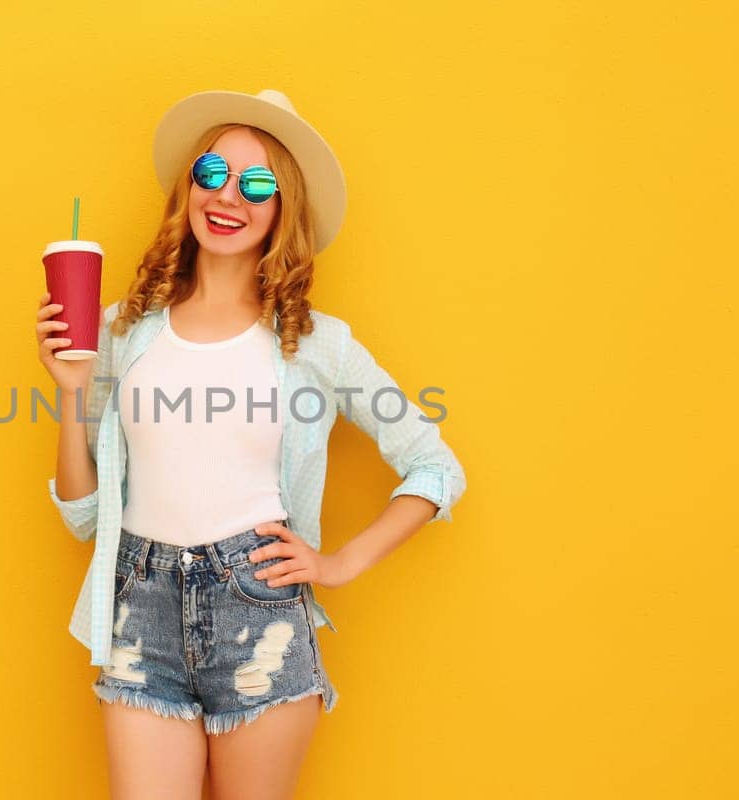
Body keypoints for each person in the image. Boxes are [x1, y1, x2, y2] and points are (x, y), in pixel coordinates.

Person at [34, 89, 467, 800]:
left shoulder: (317, 346)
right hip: (139, 607)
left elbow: (434, 466)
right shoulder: (123, 331)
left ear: (281, 210)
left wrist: (338, 563)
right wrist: (71, 388)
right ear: (189, 187)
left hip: (257, 607)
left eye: (257, 183)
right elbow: (83, 516)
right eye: (213, 173)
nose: (229, 195)